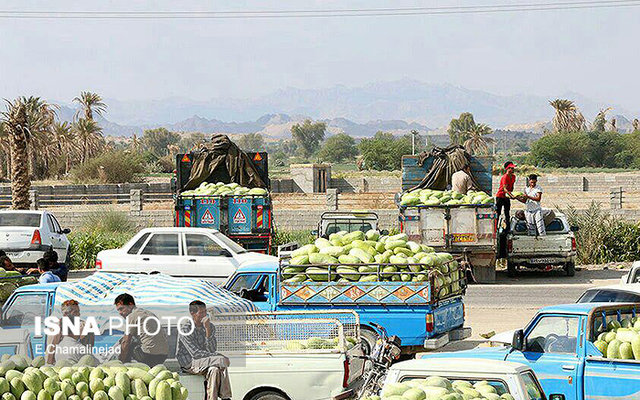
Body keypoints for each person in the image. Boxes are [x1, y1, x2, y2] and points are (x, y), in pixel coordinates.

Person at [177, 301, 231, 400]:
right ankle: (226, 397)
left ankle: (219, 398)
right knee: (221, 361)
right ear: (192, 314)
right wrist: (215, 356)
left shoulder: (210, 327)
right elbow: (195, 353)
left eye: (205, 312)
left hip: (204, 361)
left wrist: (207, 330)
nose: (204, 315)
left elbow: (212, 349)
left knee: (214, 370)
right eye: (201, 313)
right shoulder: (186, 328)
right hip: (190, 362)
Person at [114, 293, 168, 366]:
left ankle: (123, 368)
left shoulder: (132, 316)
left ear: (130, 305)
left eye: (121, 309)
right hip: (163, 356)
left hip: (149, 356)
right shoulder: (149, 313)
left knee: (126, 343)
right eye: (118, 310)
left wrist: (120, 361)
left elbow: (125, 342)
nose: (120, 313)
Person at [46, 299, 96, 365]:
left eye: (78, 311)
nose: (79, 314)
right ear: (65, 314)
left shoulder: (81, 324)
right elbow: (51, 348)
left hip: (80, 361)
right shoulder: (57, 328)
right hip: (62, 363)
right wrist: (48, 364)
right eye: (75, 312)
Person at [495, 162, 517, 229]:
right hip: (500, 196)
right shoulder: (505, 177)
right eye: (511, 168)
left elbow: (511, 187)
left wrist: (512, 194)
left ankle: (507, 228)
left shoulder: (513, 176)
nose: (513, 169)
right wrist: (511, 195)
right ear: (508, 169)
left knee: (507, 213)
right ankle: (495, 227)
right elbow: (505, 189)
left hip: (506, 196)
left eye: (513, 168)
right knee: (498, 213)